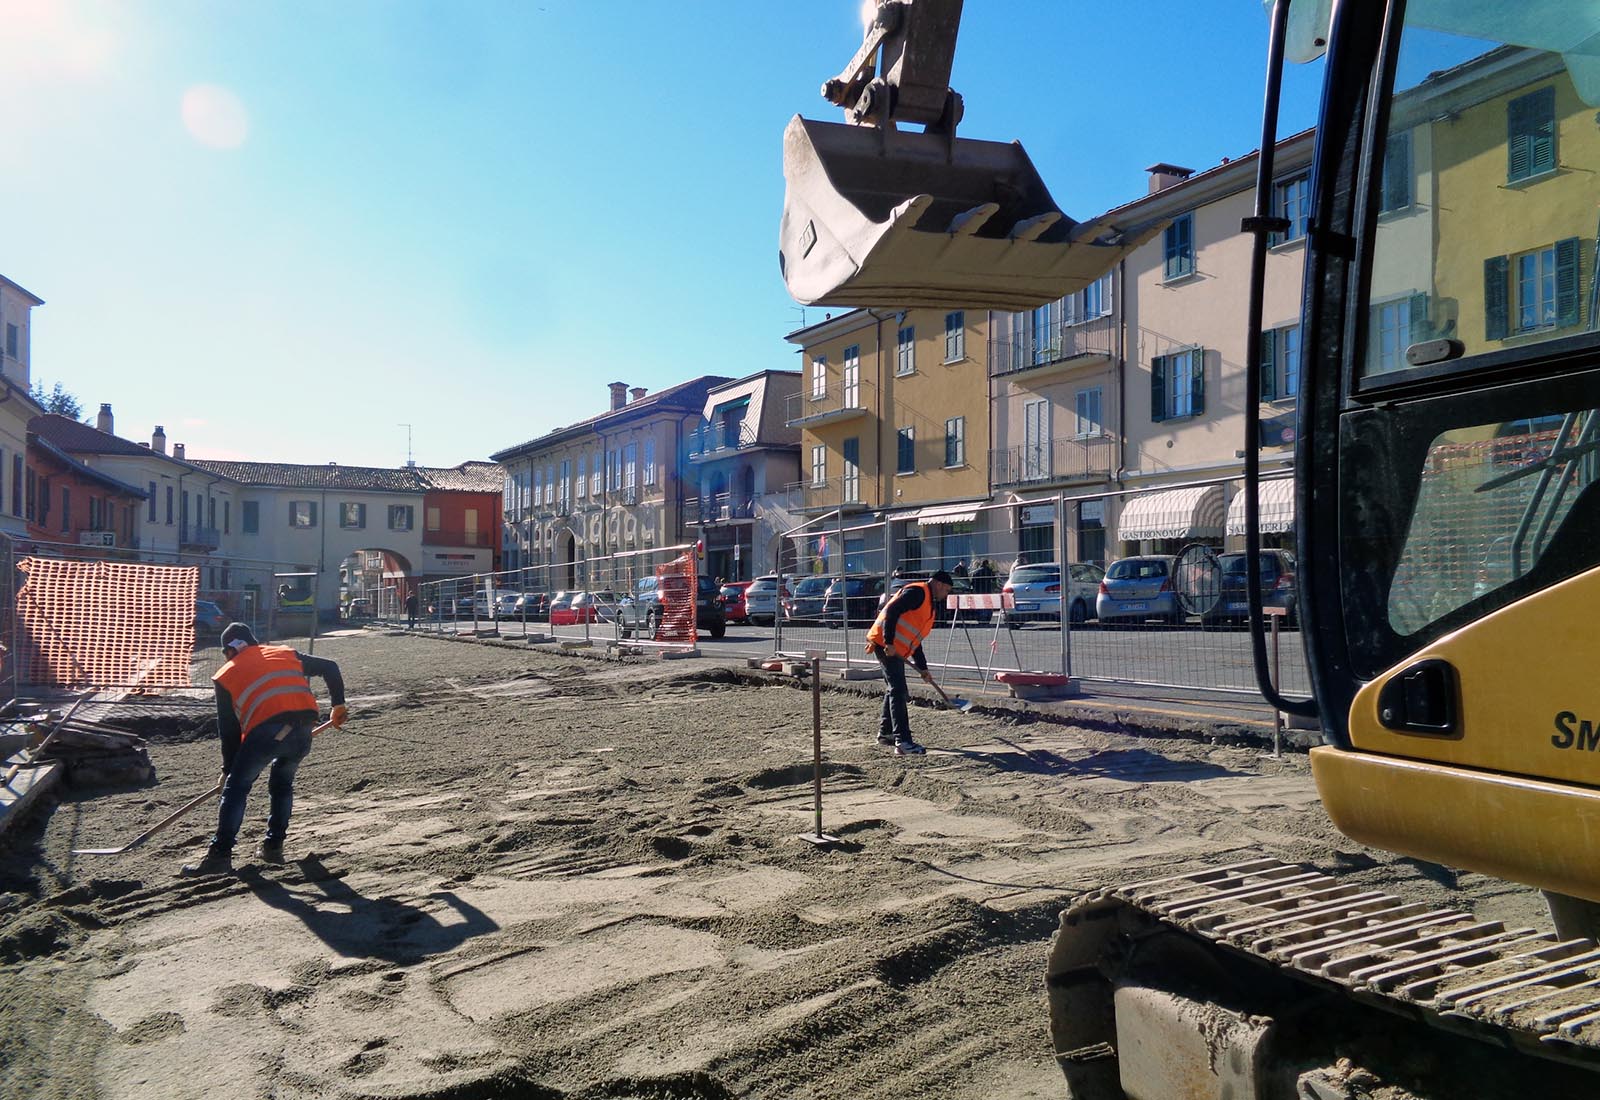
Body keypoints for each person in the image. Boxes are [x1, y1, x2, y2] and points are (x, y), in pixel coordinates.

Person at [182, 623, 348, 876]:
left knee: (236, 788)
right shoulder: (285, 653)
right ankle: (273, 847)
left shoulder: (226, 674)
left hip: (267, 733)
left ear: (228, 651)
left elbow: (228, 730)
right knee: (282, 785)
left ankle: (220, 856)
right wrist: (338, 705)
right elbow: (330, 667)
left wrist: (228, 769)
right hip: (303, 729)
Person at [865, 569, 953, 756]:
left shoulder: (928, 603)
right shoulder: (917, 593)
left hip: (894, 647)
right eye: (947, 590)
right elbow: (892, 610)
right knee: (898, 690)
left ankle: (886, 733)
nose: (946, 595)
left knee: (894, 690)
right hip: (885, 645)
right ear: (938, 584)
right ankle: (903, 742)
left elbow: (915, 640)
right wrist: (888, 642)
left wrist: (923, 668)